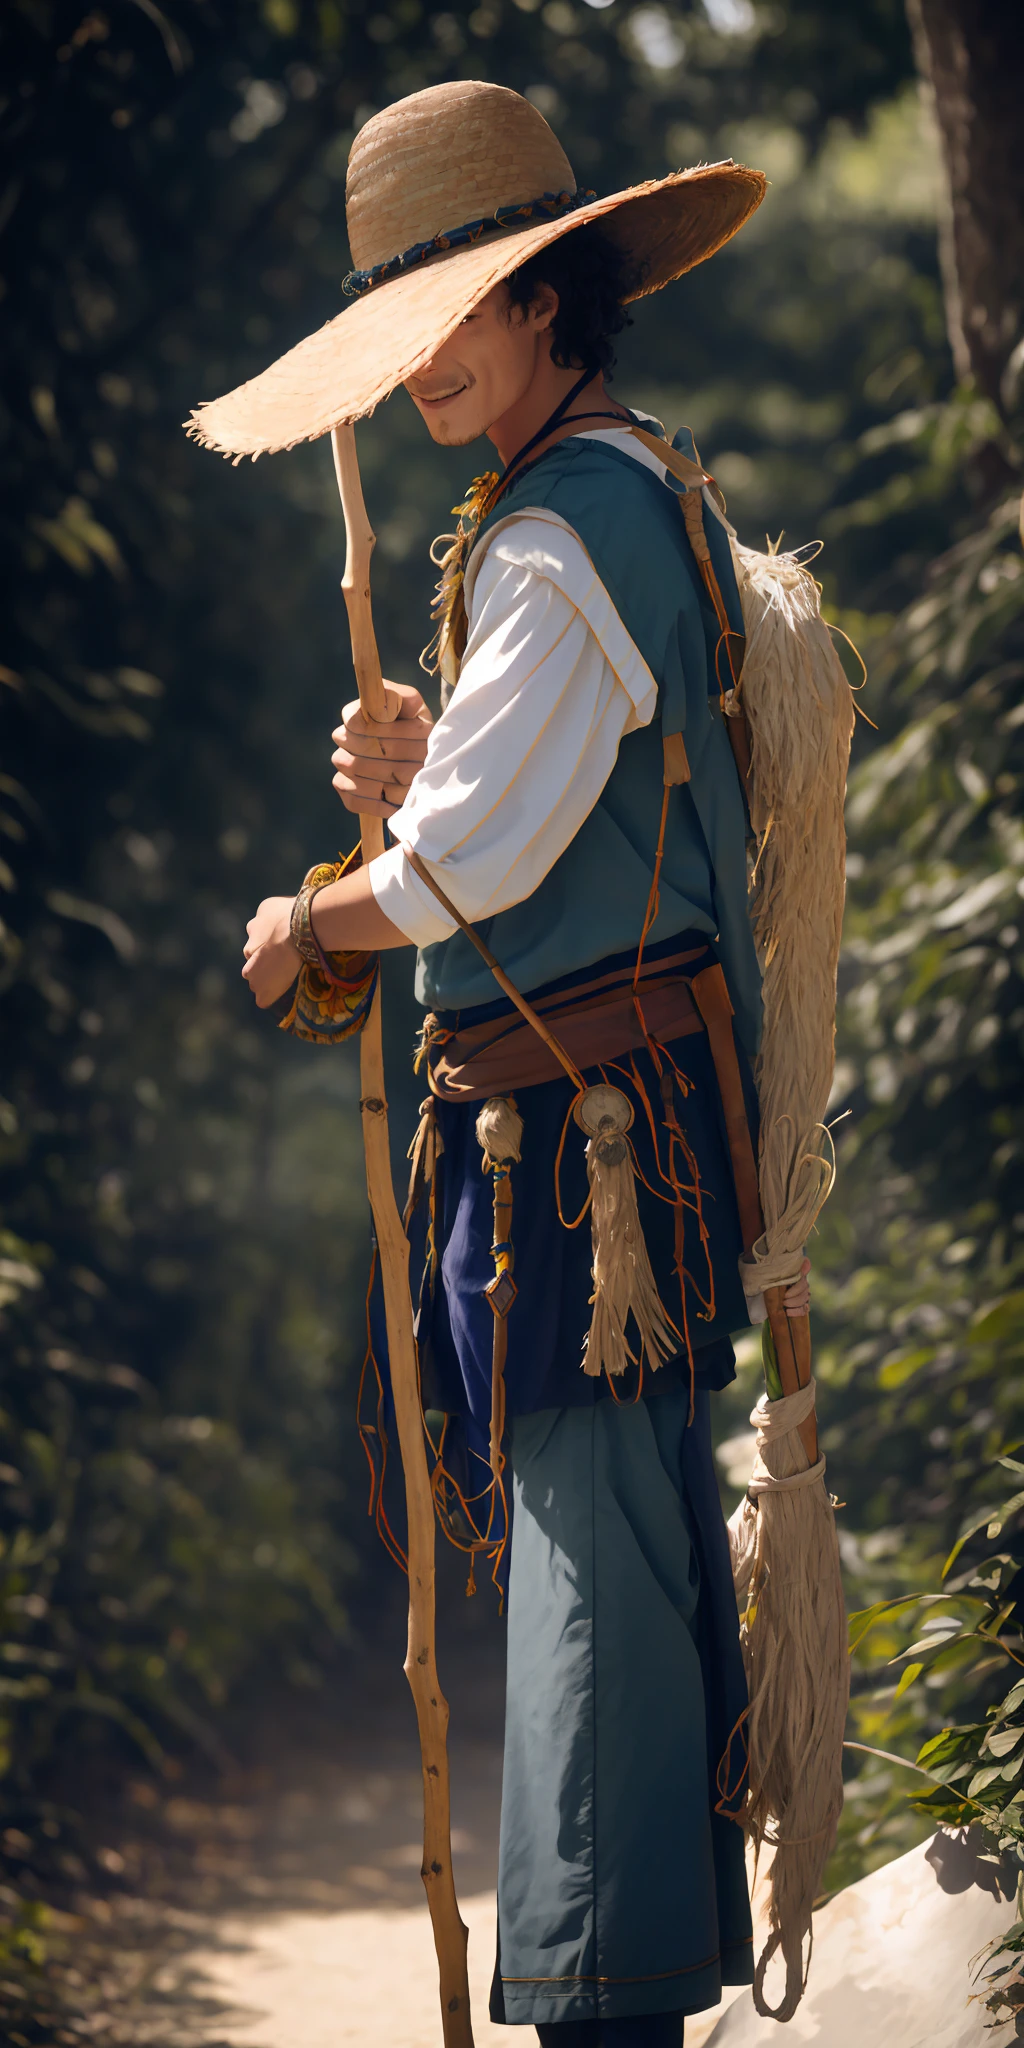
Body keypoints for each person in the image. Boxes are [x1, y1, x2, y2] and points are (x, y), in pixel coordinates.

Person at [227, 80, 809, 2047]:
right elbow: (506, 817)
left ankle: (591, 1999)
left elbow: (459, 867)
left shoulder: (564, 538)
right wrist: (425, 759)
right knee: (612, 1548)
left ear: (554, 290)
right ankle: (619, 1982)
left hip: (587, 1151)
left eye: (454, 313)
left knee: (587, 1571)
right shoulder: (595, 499)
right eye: (401, 332)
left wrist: (316, 916)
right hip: (602, 1131)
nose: (420, 369)